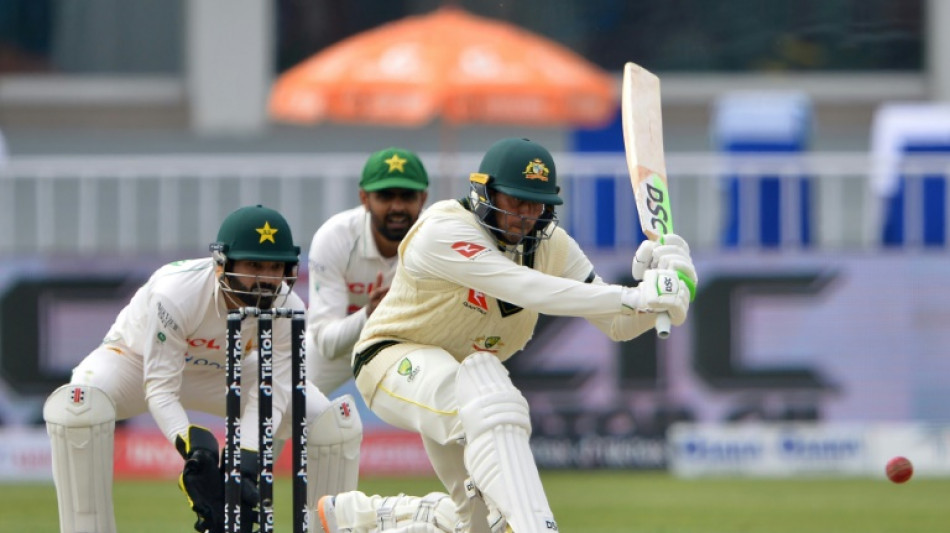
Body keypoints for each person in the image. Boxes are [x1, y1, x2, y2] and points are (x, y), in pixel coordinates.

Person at [316, 138, 698, 533]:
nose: (526, 216)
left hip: (465, 384)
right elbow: (523, 286)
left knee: (480, 526)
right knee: (492, 391)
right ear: (484, 192)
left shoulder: (552, 246)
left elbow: (617, 324)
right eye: (516, 202)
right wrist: (633, 296)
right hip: (390, 360)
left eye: (537, 205)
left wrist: (670, 292)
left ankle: (367, 516)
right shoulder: (443, 229)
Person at [42, 205, 353, 533]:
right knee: (80, 405)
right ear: (222, 265)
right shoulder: (177, 293)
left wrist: (246, 456)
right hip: (135, 363)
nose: (265, 279)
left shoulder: (289, 309)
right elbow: (160, 388)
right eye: (254, 265)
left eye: (275, 267)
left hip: (224, 370)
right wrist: (192, 447)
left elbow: (273, 389)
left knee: (328, 421)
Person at [304, 147, 429, 500]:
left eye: (407, 196)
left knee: (457, 409)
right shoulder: (336, 237)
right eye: (385, 196)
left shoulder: (436, 237)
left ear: (423, 198)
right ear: (364, 198)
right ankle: (239, 505)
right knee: (279, 397)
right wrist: (369, 314)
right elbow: (327, 342)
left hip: (406, 344)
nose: (397, 207)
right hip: (346, 339)